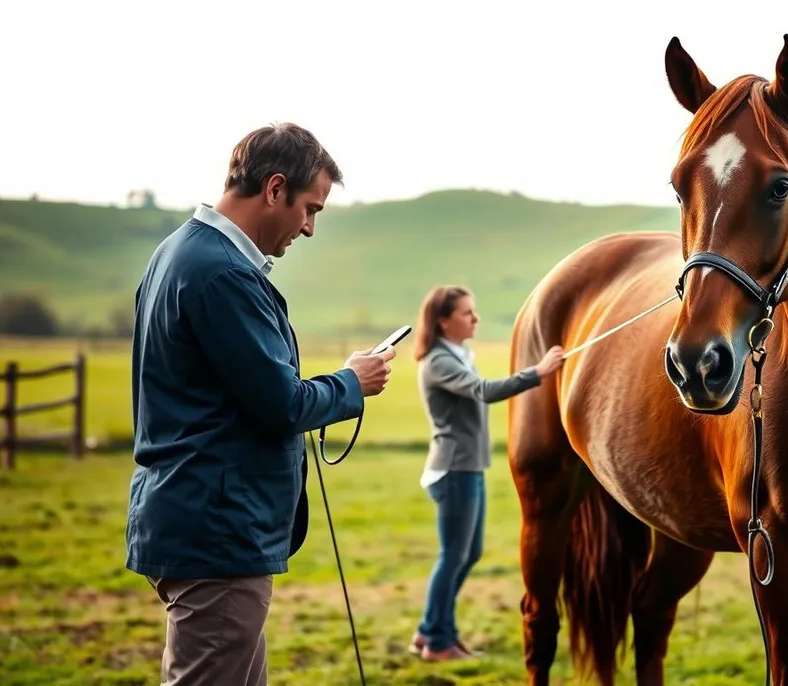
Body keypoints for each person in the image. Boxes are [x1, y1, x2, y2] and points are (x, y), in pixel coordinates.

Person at [126, 122, 396, 686]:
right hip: (218, 533)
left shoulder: (177, 253)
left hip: (198, 521)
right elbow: (281, 405)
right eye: (310, 208)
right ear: (275, 189)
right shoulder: (222, 272)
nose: (310, 228)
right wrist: (352, 382)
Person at [405, 285, 564, 661]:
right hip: (454, 470)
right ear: (444, 322)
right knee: (454, 556)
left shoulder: (455, 355)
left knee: (466, 553)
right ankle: (438, 641)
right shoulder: (439, 362)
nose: (475, 319)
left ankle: (431, 632)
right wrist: (537, 373)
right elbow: (484, 390)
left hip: (467, 467)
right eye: (466, 313)